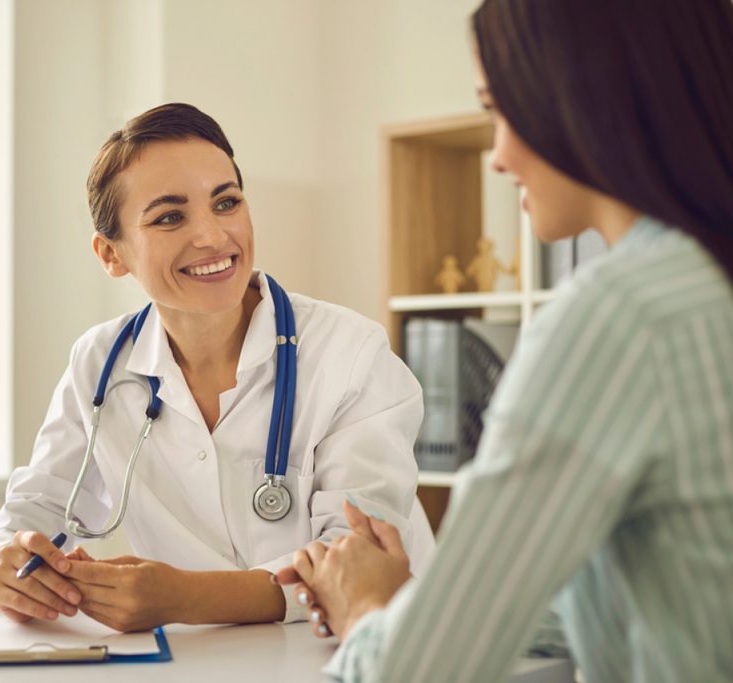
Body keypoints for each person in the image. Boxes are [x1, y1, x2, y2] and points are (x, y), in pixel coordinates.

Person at [278, 0, 733, 680]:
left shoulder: (616, 318)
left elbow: (418, 671)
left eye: (499, 110)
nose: (497, 157)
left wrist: (368, 607)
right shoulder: (699, 289)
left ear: (582, 95)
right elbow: (656, 585)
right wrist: (429, 604)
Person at [0, 103, 435, 631]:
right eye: (170, 217)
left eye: (226, 202)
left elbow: (359, 560)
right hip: (204, 657)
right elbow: (39, 504)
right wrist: (8, 567)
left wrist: (185, 598)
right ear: (111, 254)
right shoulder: (99, 362)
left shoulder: (349, 352)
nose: (212, 237)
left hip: (373, 647)